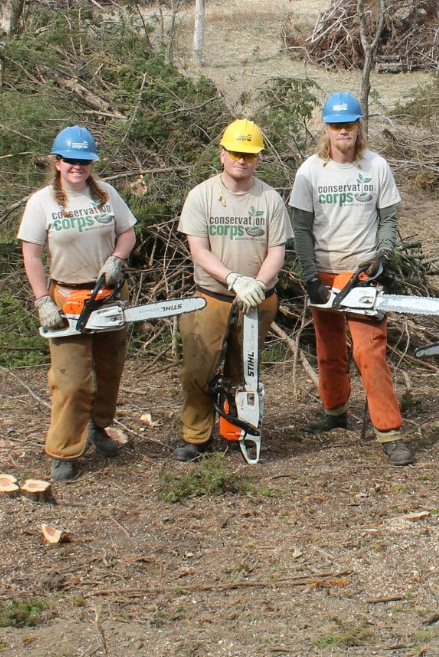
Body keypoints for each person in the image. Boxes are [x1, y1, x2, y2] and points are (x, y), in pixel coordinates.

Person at [288, 91, 413, 465]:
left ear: (359, 127)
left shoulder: (376, 166)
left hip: (361, 272)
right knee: (328, 350)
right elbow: (301, 227)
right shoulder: (310, 171)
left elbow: (388, 219)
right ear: (325, 128)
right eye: (336, 125)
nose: (343, 131)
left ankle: (389, 429)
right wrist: (309, 275)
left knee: (369, 351)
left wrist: (383, 256)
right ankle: (335, 410)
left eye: (349, 125)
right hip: (324, 269)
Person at [18, 125, 138, 482]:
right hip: (66, 296)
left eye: (84, 161)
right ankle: (64, 449)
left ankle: (100, 426)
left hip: (106, 294)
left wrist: (117, 258)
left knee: (109, 368)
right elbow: (32, 256)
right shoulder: (42, 202)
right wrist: (43, 300)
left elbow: (127, 231)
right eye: (70, 160)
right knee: (70, 380)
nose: (77, 167)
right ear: (57, 162)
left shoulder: (104, 194)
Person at [176, 119, 290, 461]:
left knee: (243, 370)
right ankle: (196, 436)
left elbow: (277, 250)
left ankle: (237, 430)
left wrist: (257, 282)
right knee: (199, 369)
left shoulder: (269, 198)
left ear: (258, 158)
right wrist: (233, 279)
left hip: (257, 300)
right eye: (236, 153)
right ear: (222, 153)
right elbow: (198, 250)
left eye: (249, 155)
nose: (242, 160)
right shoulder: (202, 195)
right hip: (211, 297)